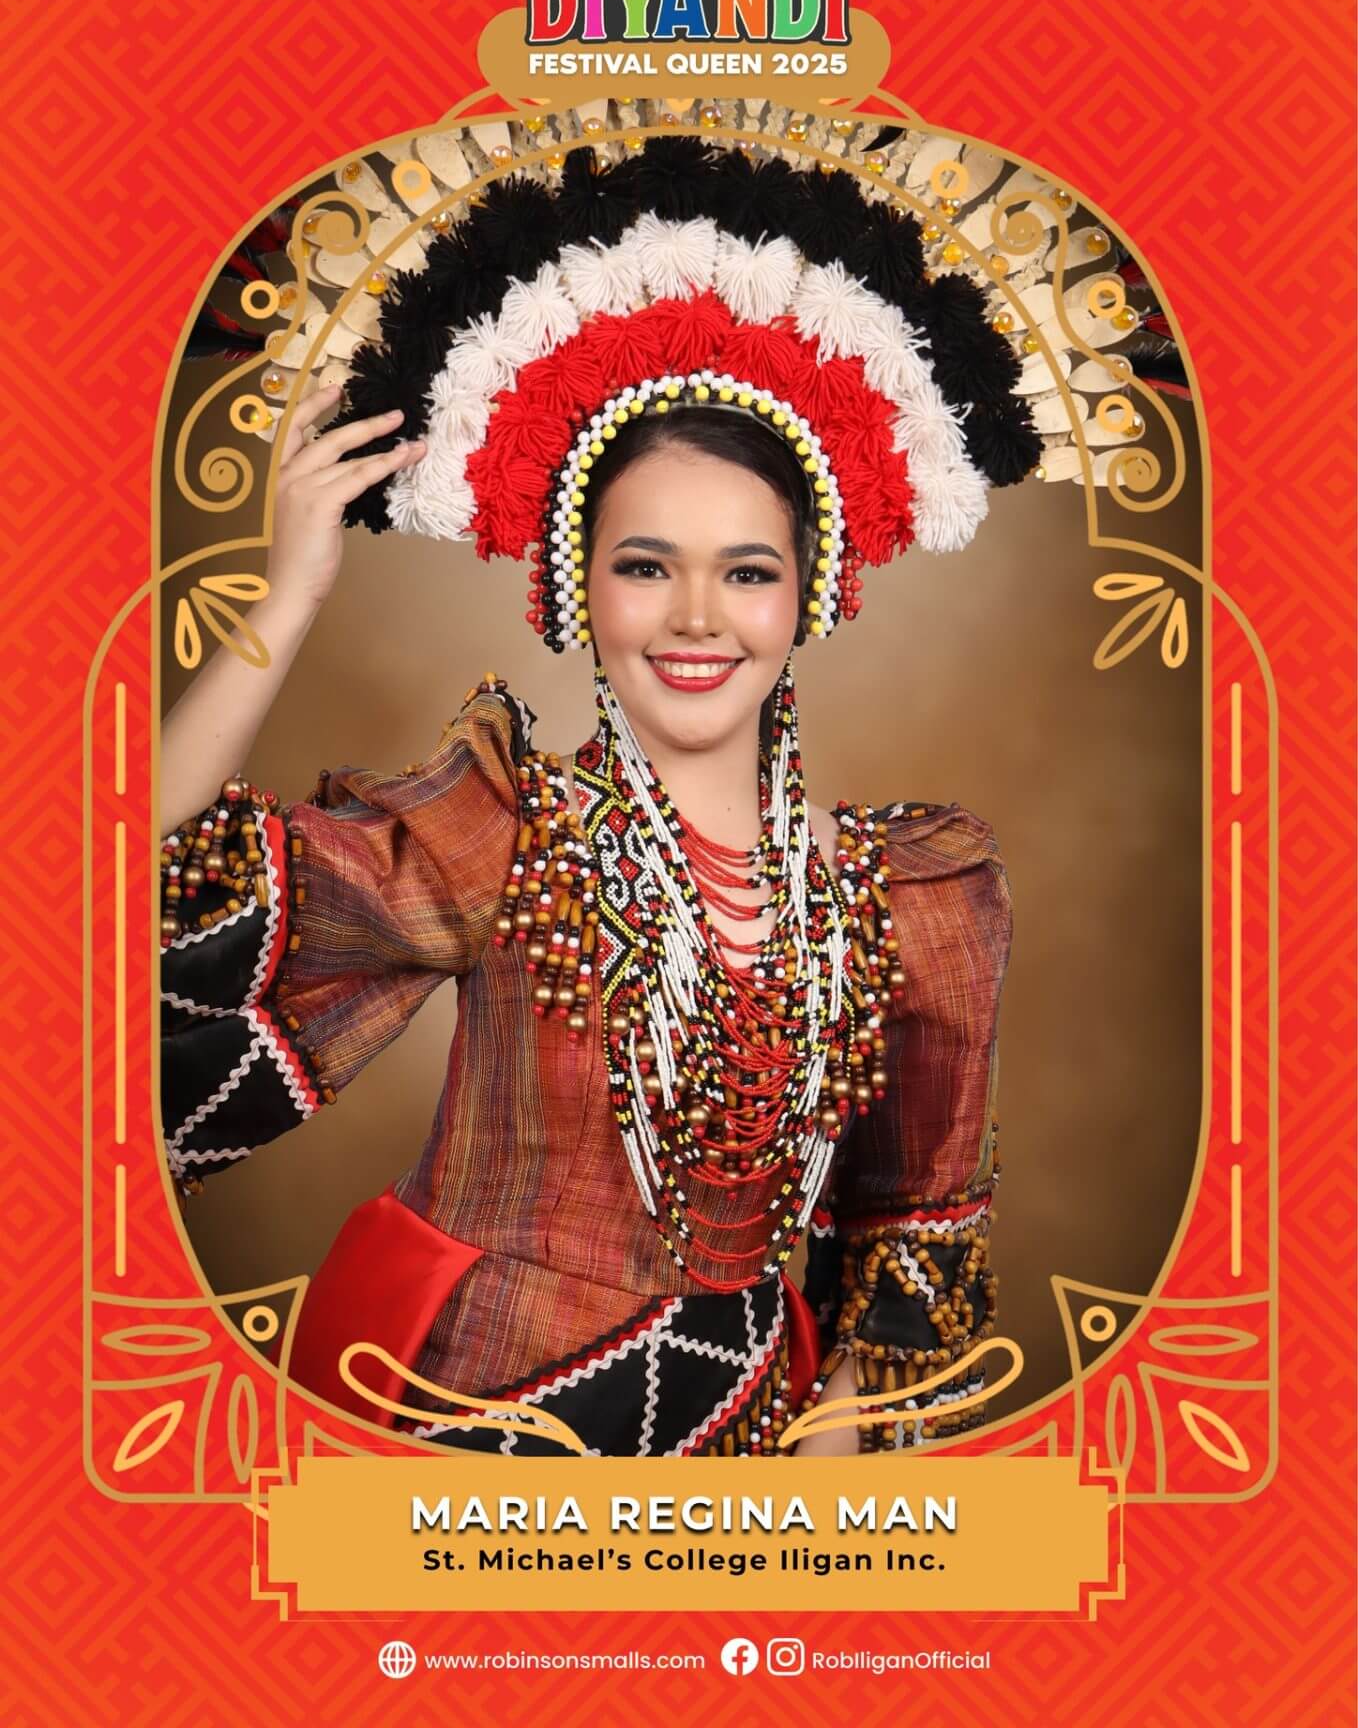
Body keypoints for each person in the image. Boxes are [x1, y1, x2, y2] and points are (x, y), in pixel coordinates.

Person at [160, 135, 1026, 1457]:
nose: (694, 615)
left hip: (753, 1445)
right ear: (580, 588)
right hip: (470, 1428)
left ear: (813, 594)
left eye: (745, 572)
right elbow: (121, 870)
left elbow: (915, 1219)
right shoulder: (502, 837)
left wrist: (844, 1423)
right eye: (644, 565)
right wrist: (291, 591)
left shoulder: (909, 895)